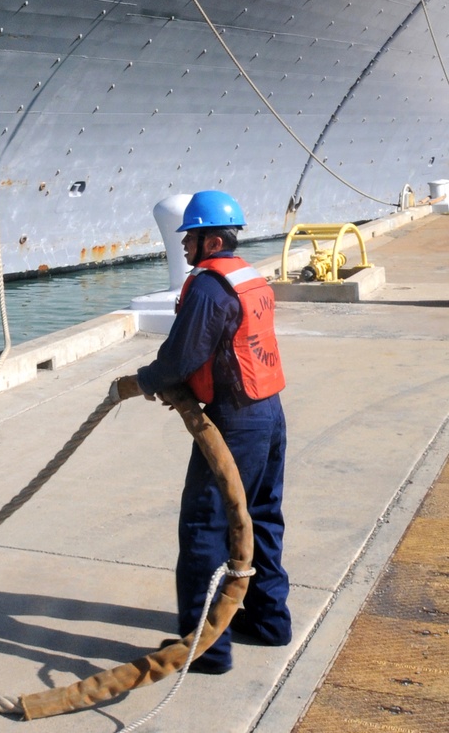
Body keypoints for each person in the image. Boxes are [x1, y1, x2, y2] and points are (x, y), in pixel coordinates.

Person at [136, 189, 291, 674]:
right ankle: (269, 622)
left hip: (234, 420)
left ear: (214, 240)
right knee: (261, 516)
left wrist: (146, 381)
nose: (184, 247)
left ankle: (204, 648)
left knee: (206, 526)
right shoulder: (248, 277)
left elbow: (181, 357)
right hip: (269, 411)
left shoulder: (208, 287)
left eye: (192, 238)